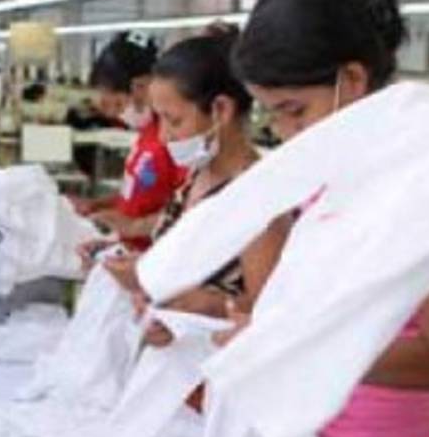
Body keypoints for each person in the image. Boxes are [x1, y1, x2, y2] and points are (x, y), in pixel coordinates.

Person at [229, 0, 429, 437]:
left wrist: (306, 342)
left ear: (351, 80)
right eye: (273, 115)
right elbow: (308, 313)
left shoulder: (425, 184)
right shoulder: (328, 176)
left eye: (294, 111)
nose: (285, 133)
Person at [99, 28, 289, 345]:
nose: (163, 137)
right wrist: (146, 285)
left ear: (221, 110)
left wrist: (211, 307)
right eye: (159, 120)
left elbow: (271, 318)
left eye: (173, 121)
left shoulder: (257, 201)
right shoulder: (193, 180)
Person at [74, 32, 185, 251]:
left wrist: (136, 227)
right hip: (129, 251)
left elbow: (193, 209)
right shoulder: (148, 131)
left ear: (142, 86)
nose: (118, 114)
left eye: (118, 104)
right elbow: (138, 193)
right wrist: (98, 205)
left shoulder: (177, 138)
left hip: (155, 255)